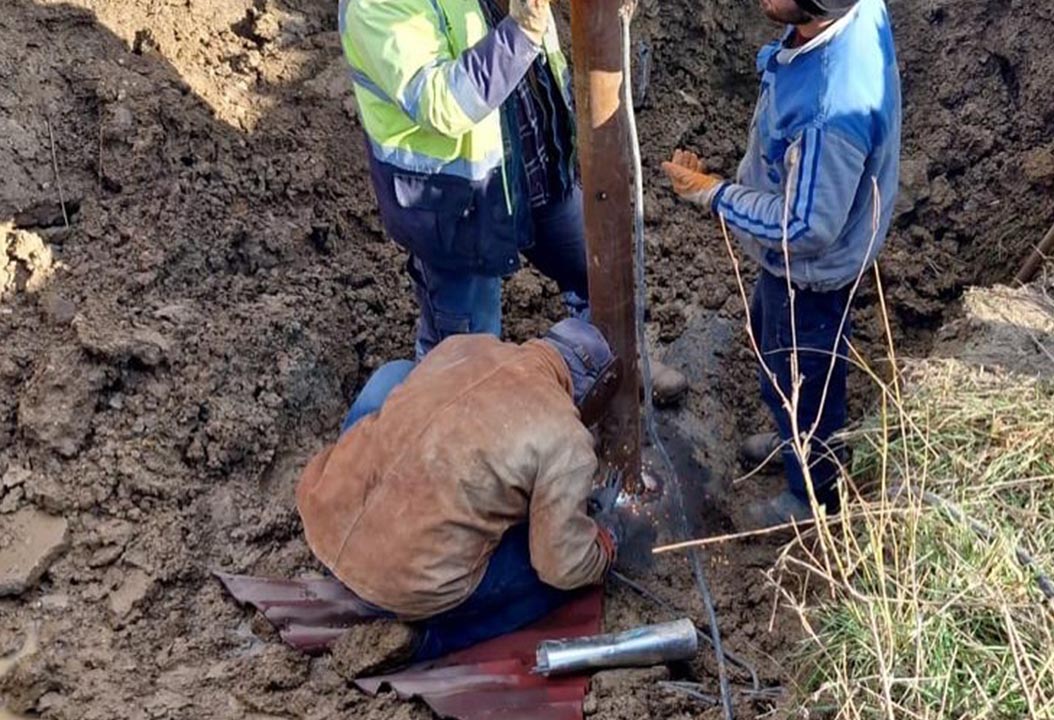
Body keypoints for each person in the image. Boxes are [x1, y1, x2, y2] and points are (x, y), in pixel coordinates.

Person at [339, 0, 687, 401]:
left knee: (600, 276)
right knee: (465, 359)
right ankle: (458, 428)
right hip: (456, 205)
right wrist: (521, 30)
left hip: (536, 171)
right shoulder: (375, 6)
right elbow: (441, 104)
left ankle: (622, 359)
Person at [661, 0, 901, 525]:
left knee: (804, 379)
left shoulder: (830, 112)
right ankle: (792, 437)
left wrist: (713, 193)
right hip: (803, 256)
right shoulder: (849, 15)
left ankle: (810, 496)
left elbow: (804, 229)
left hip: (812, 275)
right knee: (777, 348)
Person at [295, 318, 628, 660]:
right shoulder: (566, 437)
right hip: (403, 587)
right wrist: (604, 543)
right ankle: (432, 639)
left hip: (326, 523)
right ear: (592, 394)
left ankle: (349, 536)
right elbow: (562, 566)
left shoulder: (465, 346)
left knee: (396, 374)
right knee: (548, 571)